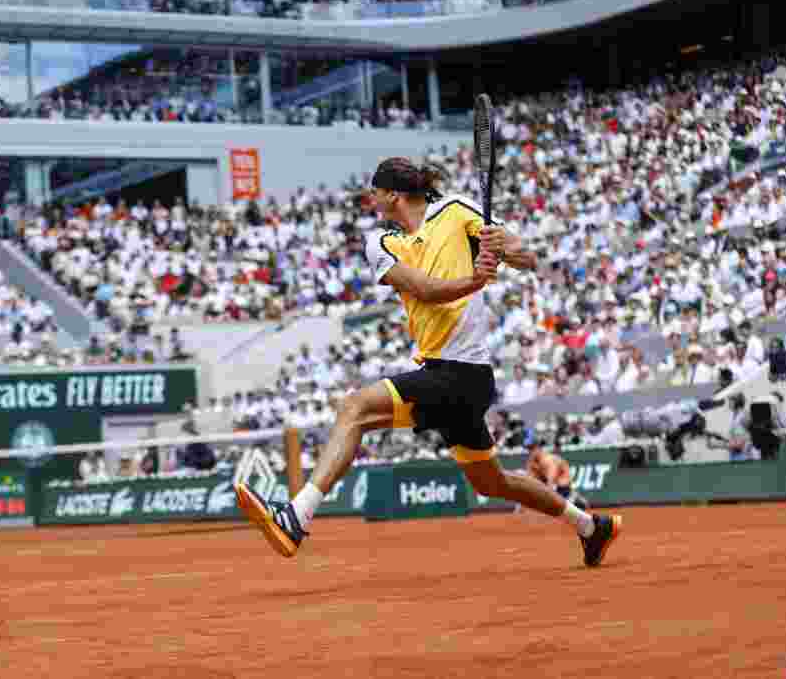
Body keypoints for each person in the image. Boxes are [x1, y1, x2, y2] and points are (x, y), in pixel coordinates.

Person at [234, 156, 622, 566]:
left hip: (462, 373)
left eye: (375, 191)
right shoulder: (382, 243)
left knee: (356, 408)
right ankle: (591, 527)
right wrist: (474, 278)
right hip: (445, 375)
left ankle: (296, 517)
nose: (371, 198)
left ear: (393, 195)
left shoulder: (455, 211)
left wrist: (502, 249)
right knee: (492, 482)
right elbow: (424, 289)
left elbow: (526, 257)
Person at [524, 439, 589, 511]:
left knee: (561, 506)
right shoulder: (534, 462)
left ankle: (573, 498)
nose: (530, 452)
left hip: (561, 487)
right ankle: (570, 499)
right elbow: (531, 480)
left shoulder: (548, 460)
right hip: (554, 488)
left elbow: (551, 481)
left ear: (538, 448)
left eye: (532, 449)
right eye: (529, 449)